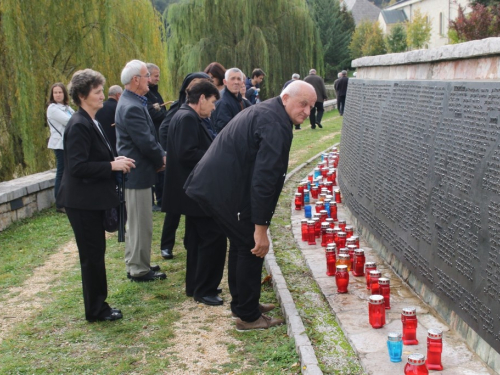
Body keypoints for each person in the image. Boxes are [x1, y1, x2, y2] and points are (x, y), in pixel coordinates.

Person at [185, 80, 317, 330]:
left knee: (241, 244)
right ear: (286, 98)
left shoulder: (271, 112)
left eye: (311, 106)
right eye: (303, 104)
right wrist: (260, 227)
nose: (308, 112)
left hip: (220, 186)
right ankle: (247, 316)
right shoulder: (275, 124)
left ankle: (245, 304)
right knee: (252, 246)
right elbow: (265, 179)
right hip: (222, 189)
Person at [56, 69, 135, 322]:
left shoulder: (91, 121)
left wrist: (114, 160)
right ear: (82, 95)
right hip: (82, 202)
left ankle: (99, 305)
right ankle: (96, 310)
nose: (103, 95)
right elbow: (77, 166)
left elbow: (92, 158)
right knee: (91, 257)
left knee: (96, 253)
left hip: (89, 200)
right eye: (98, 92)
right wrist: (111, 166)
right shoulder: (79, 124)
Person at [163, 79, 227, 305]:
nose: (213, 107)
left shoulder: (186, 116)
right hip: (195, 192)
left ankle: (196, 284)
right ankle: (204, 288)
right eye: (211, 102)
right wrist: (216, 155)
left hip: (191, 191)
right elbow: (187, 153)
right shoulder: (187, 118)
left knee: (197, 239)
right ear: (201, 99)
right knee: (213, 239)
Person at [115, 60, 166, 282]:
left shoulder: (131, 101)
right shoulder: (131, 106)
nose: (149, 80)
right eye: (147, 76)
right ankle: (138, 268)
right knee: (139, 223)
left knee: (138, 222)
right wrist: (161, 158)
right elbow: (145, 141)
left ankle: (138, 261)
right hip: (137, 173)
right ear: (136, 80)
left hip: (138, 172)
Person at [158, 72, 213, 261]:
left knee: (192, 227)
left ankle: (190, 255)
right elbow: (186, 151)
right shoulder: (185, 113)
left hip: (186, 178)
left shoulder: (191, 114)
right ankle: (167, 244)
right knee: (177, 215)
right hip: (184, 178)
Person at [47, 82, 74, 213]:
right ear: (52, 95)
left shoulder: (67, 107)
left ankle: (67, 199)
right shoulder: (53, 108)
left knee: (67, 172)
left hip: (68, 144)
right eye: (55, 92)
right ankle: (60, 202)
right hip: (60, 144)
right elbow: (69, 121)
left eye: (60, 92)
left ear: (64, 93)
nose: (58, 95)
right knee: (61, 172)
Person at [145, 63, 168, 212]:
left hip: (159, 133)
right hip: (152, 134)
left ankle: (161, 198)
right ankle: (157, 199)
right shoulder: (146, 95)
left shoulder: (155, 93)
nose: (158, 78)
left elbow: (162, 109)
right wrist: (164, 114)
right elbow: (151, 114)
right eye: (156, 76)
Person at [210, 67, 245, 134]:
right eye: (232, 79)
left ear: (242, 82)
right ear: (225, 82)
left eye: (239, 79)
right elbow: (224, 129)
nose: (236, 82)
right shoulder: (222, 102)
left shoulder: (240, 100)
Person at [95, 85, 122, 155]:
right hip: (116, 144)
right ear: (118, 95)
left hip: (102, 143)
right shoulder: (118, 108)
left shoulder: (99, 107)